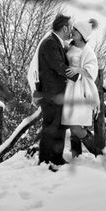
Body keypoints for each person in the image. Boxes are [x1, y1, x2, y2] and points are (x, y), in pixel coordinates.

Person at [35, 13, 76, 167]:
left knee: (60, 126)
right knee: (51, 127)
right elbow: (59, 66)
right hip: (51, 94)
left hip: (58, 94)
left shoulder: (56, 42)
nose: (71, 31)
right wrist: (78, 77)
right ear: (64, 28)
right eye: (70, 27)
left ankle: (57, 157)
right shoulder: (50, 43)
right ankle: (45, 160)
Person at [62, 19, 104, 157]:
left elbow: (92, 71)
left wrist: (78, 71)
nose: (72, 31)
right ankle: (76, 155)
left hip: (81, 91)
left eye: (76, 30)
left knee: (76, 126)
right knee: (73, 125)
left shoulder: (88, 51)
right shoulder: (68, 47)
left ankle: (98, 152)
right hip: (68, 91)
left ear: (82, 34)